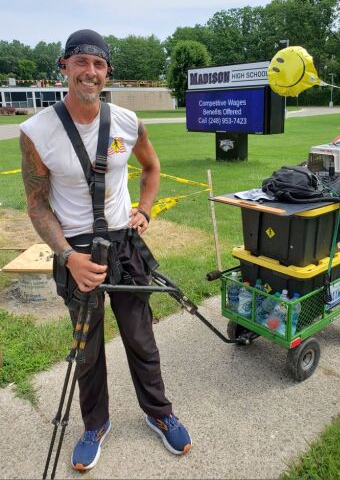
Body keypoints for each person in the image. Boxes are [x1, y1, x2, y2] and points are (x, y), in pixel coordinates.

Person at [19, 29, 192, 471]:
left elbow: (152, 168)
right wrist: (67, 257)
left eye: (98, 65)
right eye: (81, 62)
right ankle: (94, 424)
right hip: (77, 251)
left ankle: (160, 413)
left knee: (141, 337)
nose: (89, 72)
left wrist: (146, 210)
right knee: (87, 349)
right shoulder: (37, 131)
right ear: (65, 67)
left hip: (125, 243)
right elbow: (37, 205)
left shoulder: (128, 122)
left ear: (107, 71)